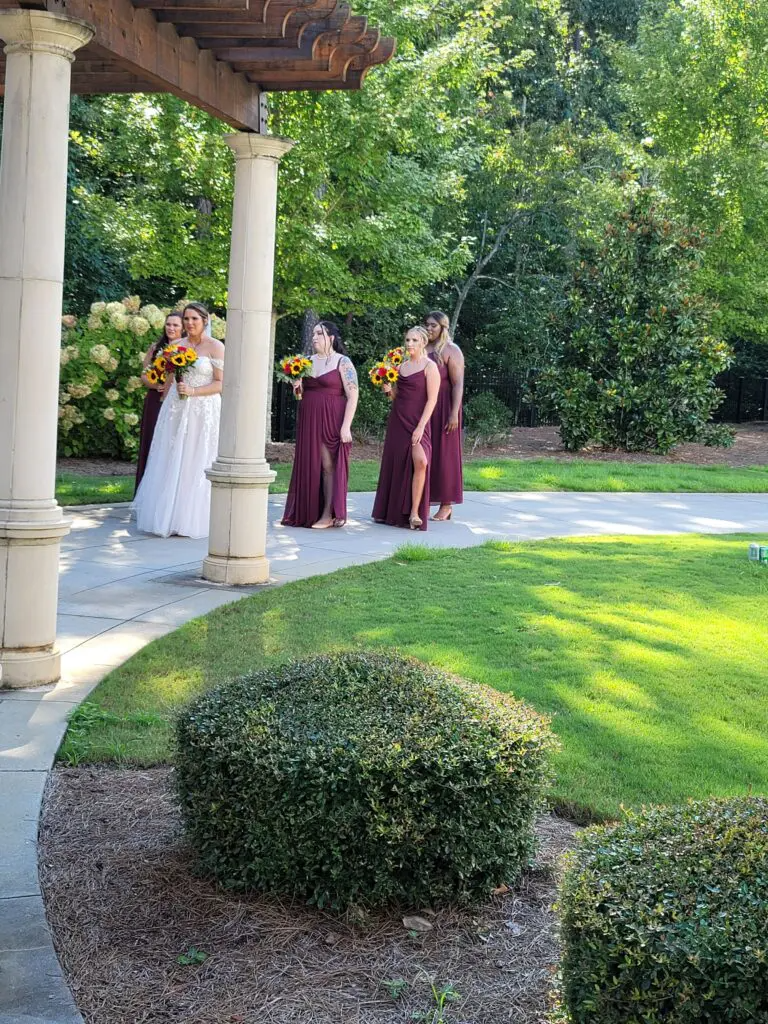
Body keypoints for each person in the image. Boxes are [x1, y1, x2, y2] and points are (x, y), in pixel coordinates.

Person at [132, 303, 224, 538]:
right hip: (176, 406)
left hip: (203, 407)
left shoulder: (216, 347)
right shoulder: (176, 346)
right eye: (186, 319)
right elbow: (169, 379)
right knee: (172, 456)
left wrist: (193, 392)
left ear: (205, 320)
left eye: (194, 318)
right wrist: (165, 401)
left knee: (196, 456)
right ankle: (168, 516)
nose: (189, 323)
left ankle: (192, 518)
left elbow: (220, 383)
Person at [282, 321, 358, 529]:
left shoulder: (343, 362)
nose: (314, 337)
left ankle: (328, 514)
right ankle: (308, 511)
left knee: (327, 464)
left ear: (331, 337)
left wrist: (346, 426)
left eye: (319, 333)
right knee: (310, 463)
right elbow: (300, 395)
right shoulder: (306, 362)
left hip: (331, 418)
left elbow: (353, 395)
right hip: (309, 419)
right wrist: (297, 387)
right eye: (313, 333)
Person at [372, 325, 440, 531]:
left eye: (414, 340)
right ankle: (390, 511)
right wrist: (387, 391)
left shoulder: (430, 367)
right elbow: (397, 397)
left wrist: (420, 428)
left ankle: (414, 513)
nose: (409, 344)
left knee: (421, 462)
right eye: (408, 340)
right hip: (398, 421)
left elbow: (432, 400)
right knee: (398, 464)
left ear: (423, 343)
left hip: (419, 423)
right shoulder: (400, 367)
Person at [134, 312, 184, 494]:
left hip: (176, 401)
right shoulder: (157, 348)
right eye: (168, 324)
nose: (171, 328)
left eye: (175, 325)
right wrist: (157, 385)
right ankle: (145, 491)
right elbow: (144, 375)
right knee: (151, 440)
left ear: (183, 329)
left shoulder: (187, 350)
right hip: (155, 400)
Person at [425, 310, 464, 521]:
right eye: (427, 325)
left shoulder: (451, 350)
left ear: (443, 328)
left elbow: (458, 383)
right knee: (425, 453)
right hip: (424, 406)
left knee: (445, 454)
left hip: (445, 406)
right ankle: (423, 498)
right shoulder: (421, 348)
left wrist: (454, 413)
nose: (430, 329)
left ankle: (446, 503)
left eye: (434, 325)